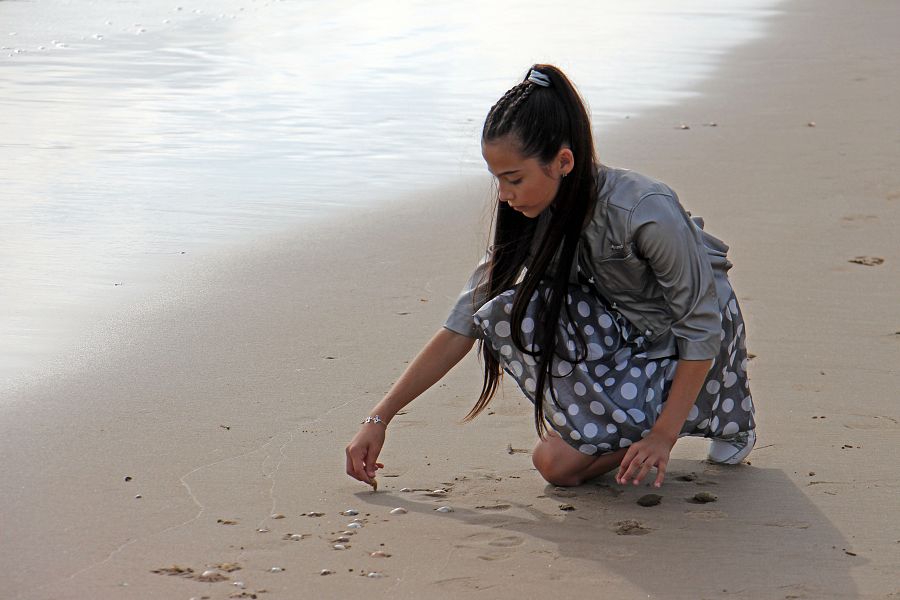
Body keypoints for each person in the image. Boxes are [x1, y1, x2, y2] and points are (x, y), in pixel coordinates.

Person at [345, 64, 756, 490]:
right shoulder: (532, 217)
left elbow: (701, 324)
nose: (504, 195)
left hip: (695, 340)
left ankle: (711, 410)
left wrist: (662, 436)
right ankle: (660, 415)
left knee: (558, 462)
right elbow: (462, 323)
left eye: (514, 179)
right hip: (625, 331)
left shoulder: (643, 209)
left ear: (562, 162)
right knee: (551, 452)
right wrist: (379, 418)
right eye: (497, 180)